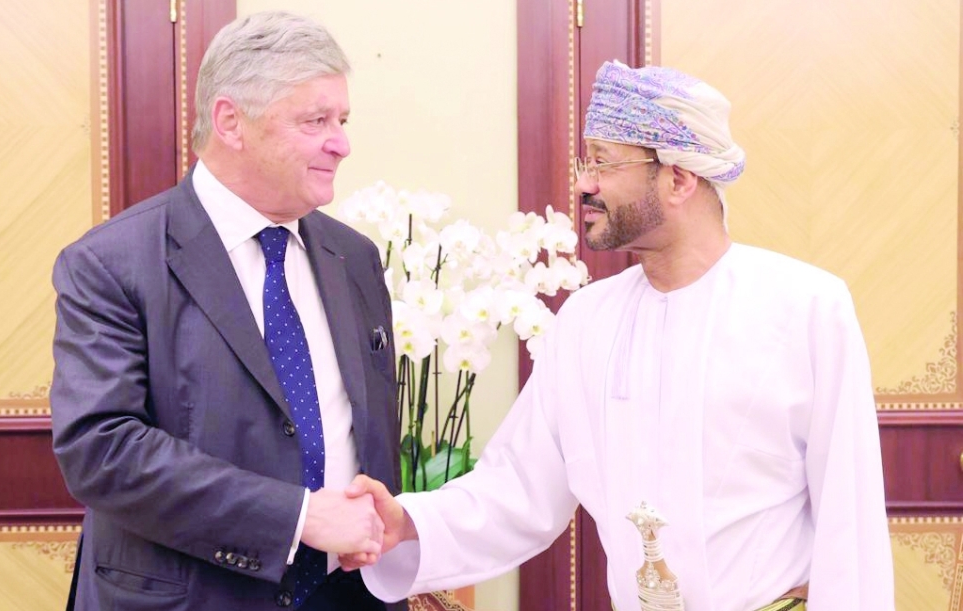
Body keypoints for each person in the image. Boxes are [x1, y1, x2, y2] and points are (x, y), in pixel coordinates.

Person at [342, 62, 895, 610]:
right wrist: (409, 521)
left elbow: (850, 514)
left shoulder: (806, 307)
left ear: (678, 179)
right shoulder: (587, 320)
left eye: (604, 163)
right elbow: (519, 486)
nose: (584, 183)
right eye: (587, 161)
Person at [50, 11, 405, 611]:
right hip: (191, 596)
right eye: (315, 120)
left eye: (341, 120)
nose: (341, 142)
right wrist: (295, 518)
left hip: (349, 594)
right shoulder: (111, 262)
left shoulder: (356, 258)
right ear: (230, 122)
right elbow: (102, 449)